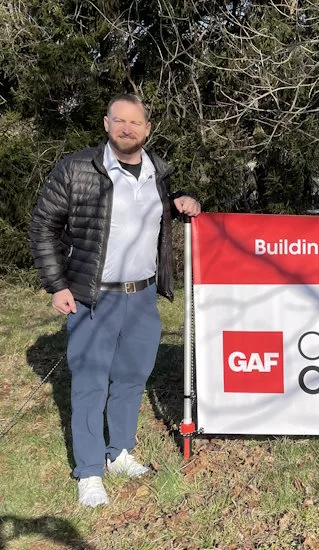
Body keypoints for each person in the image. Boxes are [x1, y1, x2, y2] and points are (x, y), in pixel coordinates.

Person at [29, 93, 201, 507]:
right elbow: (42, 226)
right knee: (90, 383)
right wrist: (58, 285)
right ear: (107, 124)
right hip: (93, 297)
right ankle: (89, 471)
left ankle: (119, 451)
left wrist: (185, 201)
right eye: (119, 121)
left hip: (141, 296)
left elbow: (166, 204)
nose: (127, 128)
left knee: (131, 377)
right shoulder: (78, 169)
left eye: (135, 123)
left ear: (147, 129)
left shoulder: (158, 172)